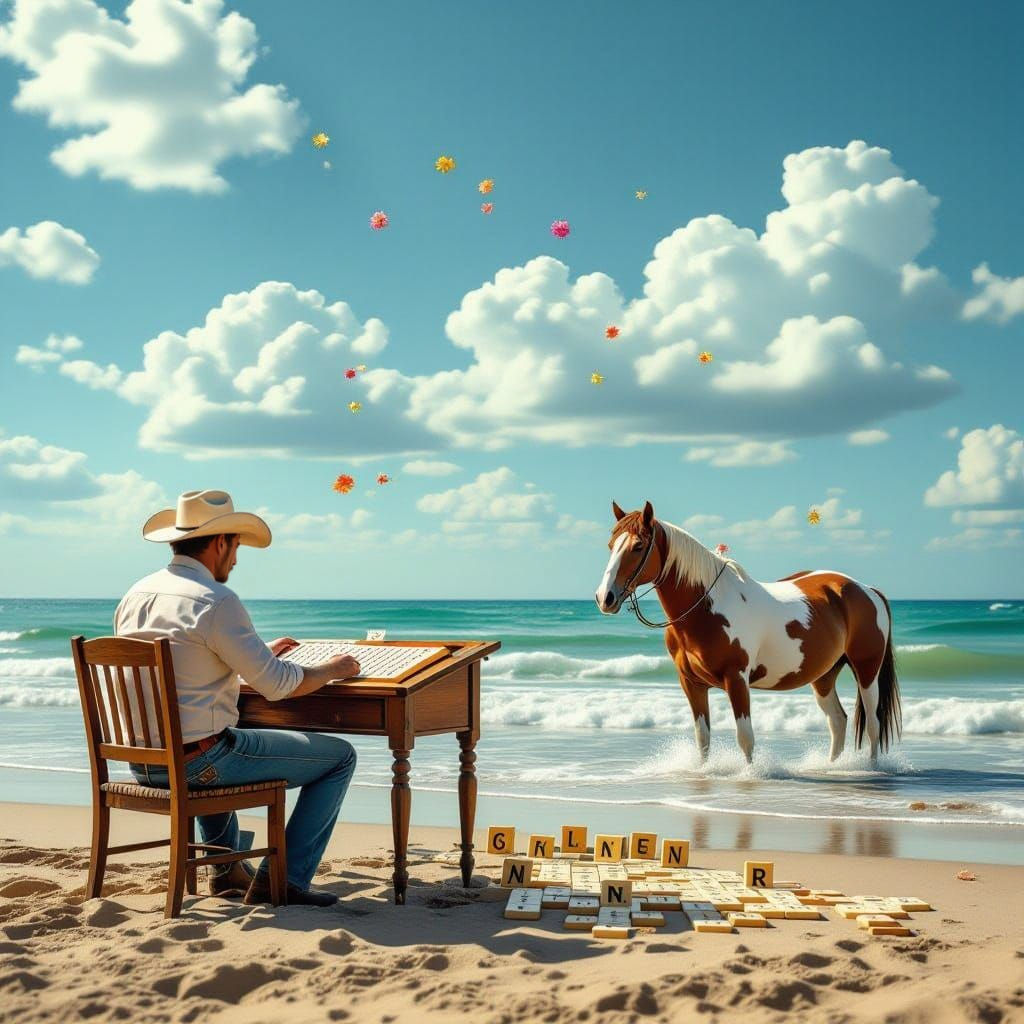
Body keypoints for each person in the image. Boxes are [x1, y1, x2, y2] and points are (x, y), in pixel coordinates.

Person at [116, 489, 360, 907]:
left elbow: (187, 659)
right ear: (219, 543)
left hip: (144, 764)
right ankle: (283, 880)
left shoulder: (135, 594)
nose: (236, 560)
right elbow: (278, 686)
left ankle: (227, 869)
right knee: (340, 757)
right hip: (198, 766)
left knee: (214, 732)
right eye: (236, 546)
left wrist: (258, 652)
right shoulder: (216, 600)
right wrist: (333, 669)